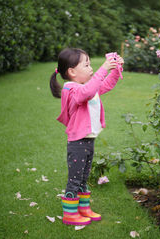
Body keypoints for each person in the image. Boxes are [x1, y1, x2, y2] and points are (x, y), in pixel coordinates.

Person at [50, 48, 123, 226]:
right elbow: (87, 93)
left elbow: (106, 85)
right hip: (77, 142)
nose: (91, 68)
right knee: (75, 179)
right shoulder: (71, 88)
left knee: (84, 176)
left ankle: (83, 208)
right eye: (87, 64)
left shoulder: (87, 87)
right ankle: (70, 213)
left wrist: (115, 68)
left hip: (88, 140)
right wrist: (103, 68)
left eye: (91, 64)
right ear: (72, 72)